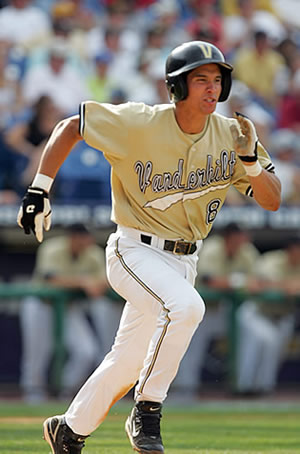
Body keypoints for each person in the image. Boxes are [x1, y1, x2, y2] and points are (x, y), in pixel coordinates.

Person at [17, 40, 281, 454]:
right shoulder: (139, 123)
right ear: (176, 87)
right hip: (134, 249)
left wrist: (249, 162)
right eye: (201, 80)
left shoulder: (233, 135)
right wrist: (39, 188)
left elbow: (272, 199)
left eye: (217, 80)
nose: (212, 89)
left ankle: (68, 429)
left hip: (185, 259)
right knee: (189, 307)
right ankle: (147, 409)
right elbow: (71, 126)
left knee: (126, 360)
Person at [20, 223, 112, 402]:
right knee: (37, 354)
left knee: (87, 351)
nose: (87, 242)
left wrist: (94, 283)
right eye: (83, 238)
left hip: (69, 308)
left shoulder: (93, 252)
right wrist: (84, 282)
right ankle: (34, 395)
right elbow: (51, 280)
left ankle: (65, 390)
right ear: (73, 238)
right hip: (41, 305)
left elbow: (106, 279)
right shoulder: (52, 248)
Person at [174, 222, 260, 395]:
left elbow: (257, 283)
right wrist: (239, 282)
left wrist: (231, 283)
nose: (242, 242)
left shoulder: (247, 251)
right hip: (198, 308)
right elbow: (209, 280)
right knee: (189, 346)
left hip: (225, 310)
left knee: (252, 334)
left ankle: (242, 386)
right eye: (238, 239)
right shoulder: (212, 248)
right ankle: (183, 389)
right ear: (227, 238)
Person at [236, 236, 300, 395]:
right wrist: (287, 285)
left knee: (275, 351)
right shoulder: (272, 260)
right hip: (257, 312)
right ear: (290, 250)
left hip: (283, 316)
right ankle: (244, 387)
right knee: (263, 341)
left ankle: (263, 389)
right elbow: (259, 283)